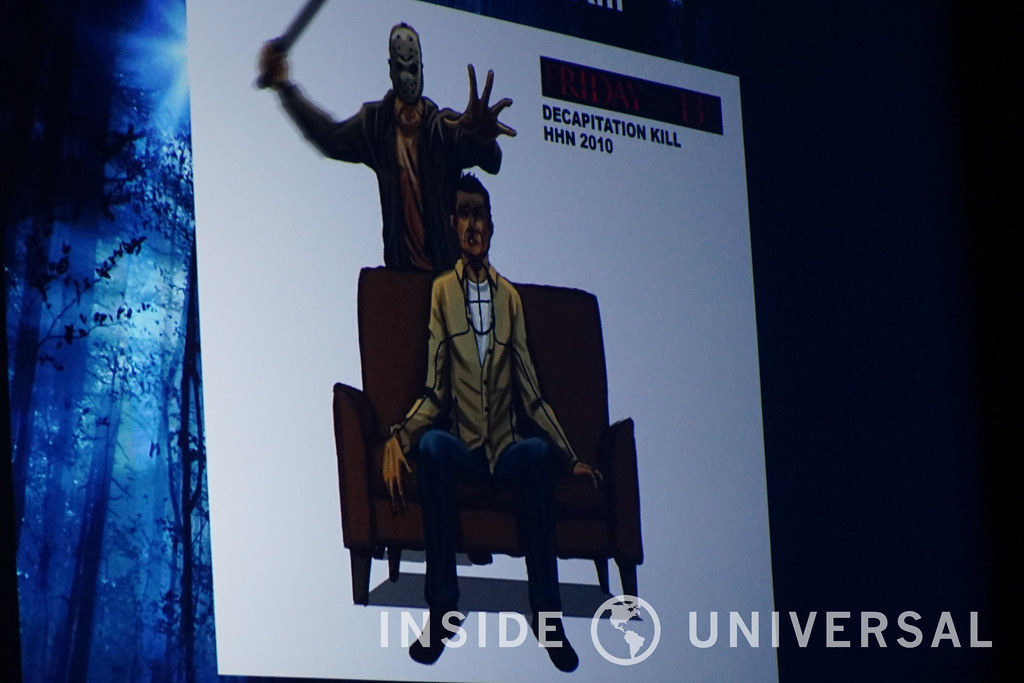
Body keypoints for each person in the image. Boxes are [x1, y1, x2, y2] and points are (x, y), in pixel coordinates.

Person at [381, 174, 601, 671]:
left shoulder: (510, 299)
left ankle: (547, 617)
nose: (473, 225)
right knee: (433, 447)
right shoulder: (442, 292)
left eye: (480, 215)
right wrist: (400, 436)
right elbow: (435, 390)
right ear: (453, 224)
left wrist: (571, 459)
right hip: (464, 446)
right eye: (464, 215)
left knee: (536, 454)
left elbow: (532, 393)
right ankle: (443, 610)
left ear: (492, 225)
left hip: (505, 448)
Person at [258, 23, 516, 272]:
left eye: (413, 68)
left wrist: (483, 139)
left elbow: (486, 156)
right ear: (391, 70)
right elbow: (329, 138)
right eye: (401, 68)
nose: (408, 77)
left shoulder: (442, 127)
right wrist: (285, 87)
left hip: (446, 271)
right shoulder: (375, 125)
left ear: (422, 69)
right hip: (402, 272)